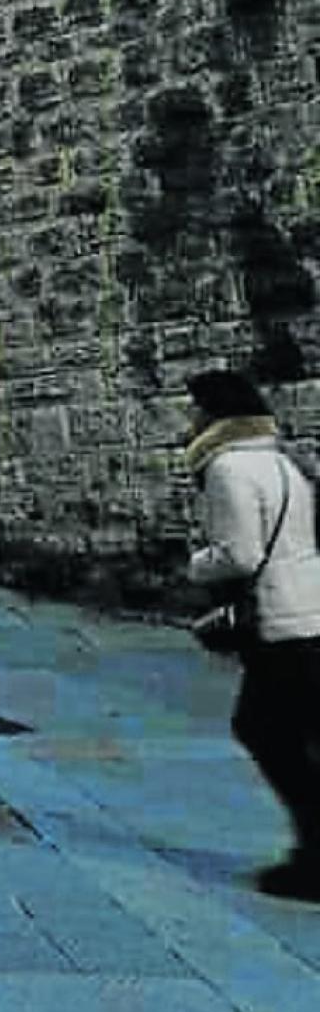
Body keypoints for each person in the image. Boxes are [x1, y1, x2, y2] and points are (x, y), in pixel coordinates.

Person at [185, 368, 320, 901]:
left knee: (264, 729)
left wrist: (197, 565)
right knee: (294, 731)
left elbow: (238, 554)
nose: (188, 419)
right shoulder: (282, 463)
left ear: (215, 415)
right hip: (308, 606)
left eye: (194, 408)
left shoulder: (227, 468)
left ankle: (315, 854)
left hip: (278, 618)